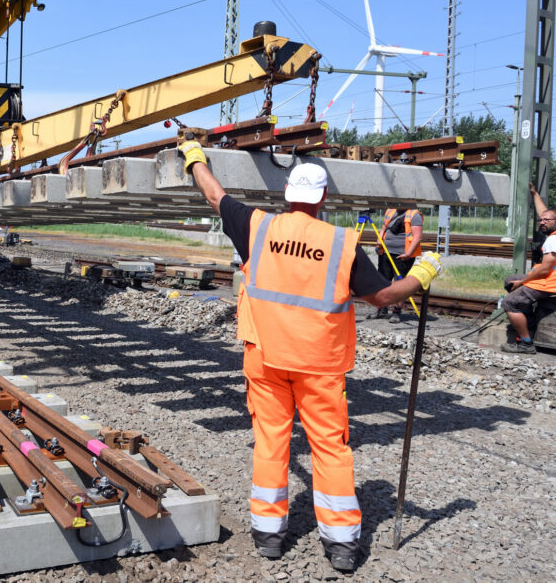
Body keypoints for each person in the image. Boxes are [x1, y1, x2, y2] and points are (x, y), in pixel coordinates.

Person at [179, 140, 442, 572]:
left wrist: (195, 159)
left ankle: (268, 534)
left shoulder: (257, 227)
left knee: (271, 443)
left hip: (264, 359)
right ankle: (340, 544)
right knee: (330, 449)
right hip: (319, 366)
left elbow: (213, 194)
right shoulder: (341, 243)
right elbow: (383, 296)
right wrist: (421, 274)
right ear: (322, 198)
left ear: (288, 193)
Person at [502, 205, 556, 354]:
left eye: (547, 220)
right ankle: (528, 321)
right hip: (549, 279)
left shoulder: (553, 240)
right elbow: (546, 212)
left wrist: (522, 282)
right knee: (509, 281)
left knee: (509, 302)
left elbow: (545, 269)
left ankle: (526, 343)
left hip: (548, 283)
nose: (542, 222)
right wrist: (534, 193)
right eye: (541, 220)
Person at [369, 205, 424, 322]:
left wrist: (408, 254)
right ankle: (382, 309)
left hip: (402, 256)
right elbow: (384, 228)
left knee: (400, 284)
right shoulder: (390, 210)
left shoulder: (414, 215)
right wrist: (379, 244)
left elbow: (417, 237)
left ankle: (396, 312)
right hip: (385, 252)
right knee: (382, 282)